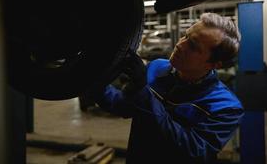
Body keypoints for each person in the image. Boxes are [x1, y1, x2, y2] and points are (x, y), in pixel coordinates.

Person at [85, 12, 244, 164]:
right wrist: (92, 82)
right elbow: (123, 106)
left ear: (214, 64)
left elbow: (193, 150)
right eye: (185, 35)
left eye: (193, 46)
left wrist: (142, 92)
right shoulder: (156, 68)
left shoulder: (226, 107)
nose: (180, 45)